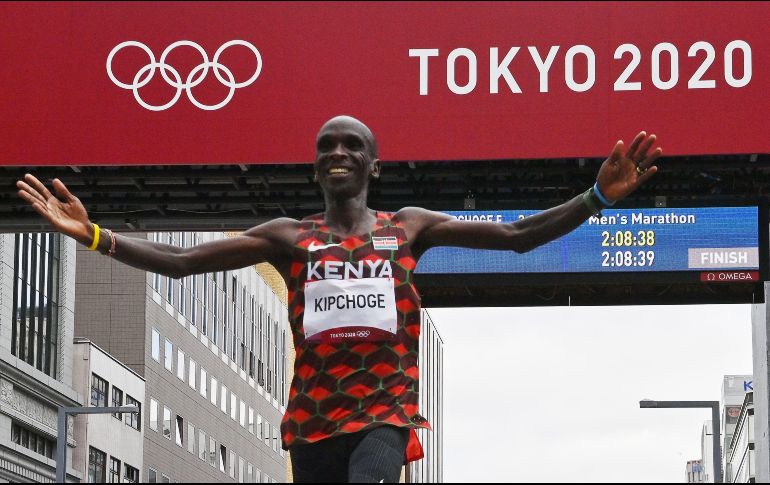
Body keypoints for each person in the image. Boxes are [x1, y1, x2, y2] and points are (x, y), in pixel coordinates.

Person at [16, 115, 662, 483]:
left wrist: (595, 199)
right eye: (327, 146)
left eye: (352, 145)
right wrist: (96, 234)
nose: (338, 152)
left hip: (384, 413)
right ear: (316, 167)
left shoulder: (408, 226)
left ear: (373, 165)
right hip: (313, 421)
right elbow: (182, 261)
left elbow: (518, 236)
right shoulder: (289, 238)